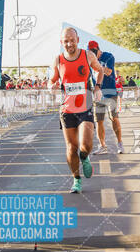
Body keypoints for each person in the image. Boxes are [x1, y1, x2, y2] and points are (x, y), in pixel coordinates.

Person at [48, 27, 104, 194]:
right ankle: (76, 179)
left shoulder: (88, 55)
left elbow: (99, 70)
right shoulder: (58, 60)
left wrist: (98, 87)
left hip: (85, 106)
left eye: (72, 40)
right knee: (71, 147)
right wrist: (51, 86)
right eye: (66, 41)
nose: (69, 44)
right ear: (61, 42)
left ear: (77, 40)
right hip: (67, 109)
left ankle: (85, 157)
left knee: (86, 144)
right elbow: (51, 80)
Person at [88, 40, 124, 155]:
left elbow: (108, 72)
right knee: (99, 121)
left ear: (98, 49)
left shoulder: (108, 56)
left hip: (110, 91)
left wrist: (97, 67)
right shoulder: (90, 60)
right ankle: (102, 146)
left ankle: (120, 143)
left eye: (95, 52)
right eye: (91, 52)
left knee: (114, 118)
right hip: (98, 93)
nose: (93, 54)